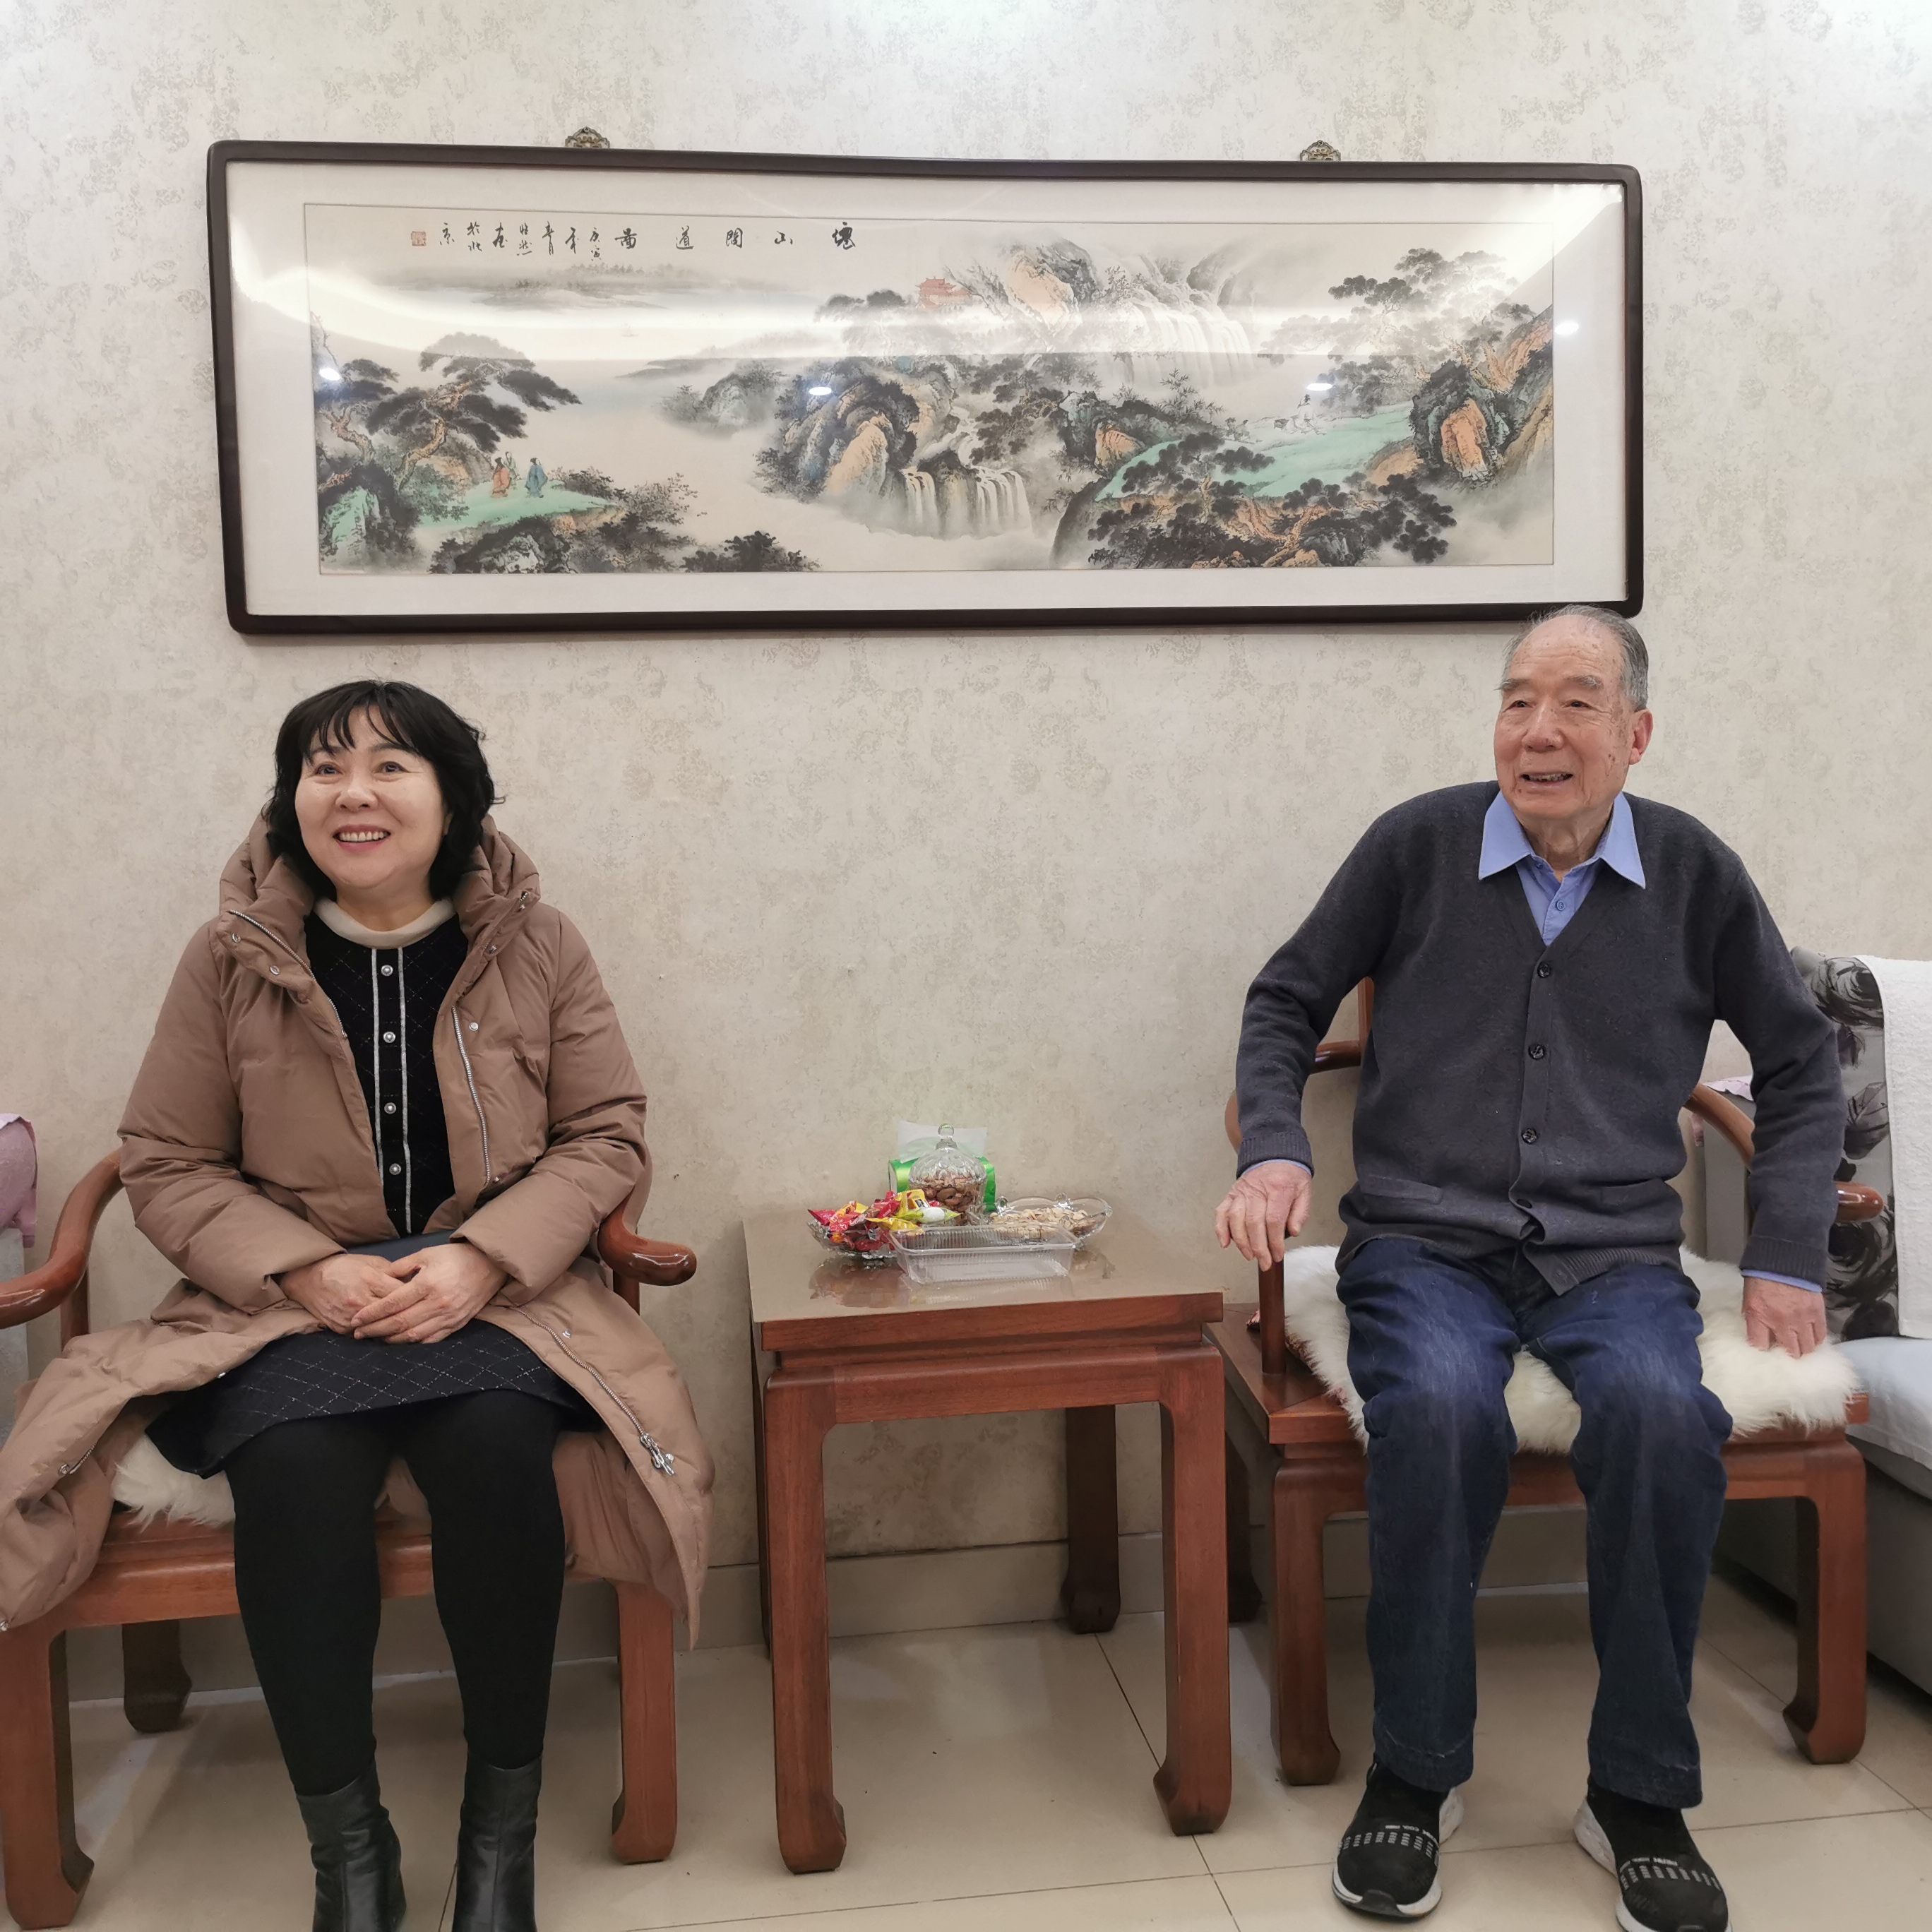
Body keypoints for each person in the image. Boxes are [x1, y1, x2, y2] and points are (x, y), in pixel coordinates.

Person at [0, 681, 712, 1932]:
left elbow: (605, 1132)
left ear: (452, 798)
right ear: (293, 802)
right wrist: (302, 1270)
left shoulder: (539, 942)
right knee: (294, 1473)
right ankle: (352, 1857)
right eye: (324, 769)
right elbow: (166, 1160)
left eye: (391, 767)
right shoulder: (228, 955)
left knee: (497, 1452)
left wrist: (483, 1258)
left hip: (500, 1302)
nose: (354, 794)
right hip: (288, 1309)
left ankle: (499, 1842)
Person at [1217, 607, 1842, 1932]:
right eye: (1516, 701)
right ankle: (1414, 1774)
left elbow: (1800, 1064)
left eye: (1574, 702)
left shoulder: (1694, 872)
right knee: (1440, 1412)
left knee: (1664, 1417)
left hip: (1614, 1256)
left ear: (1636, 734)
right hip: (1422, 1248)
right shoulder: (1417, 845)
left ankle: (1639, 1795)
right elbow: (1285, 1002)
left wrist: (1786, 1250)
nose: (1537, 731)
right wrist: (1273, 1148)